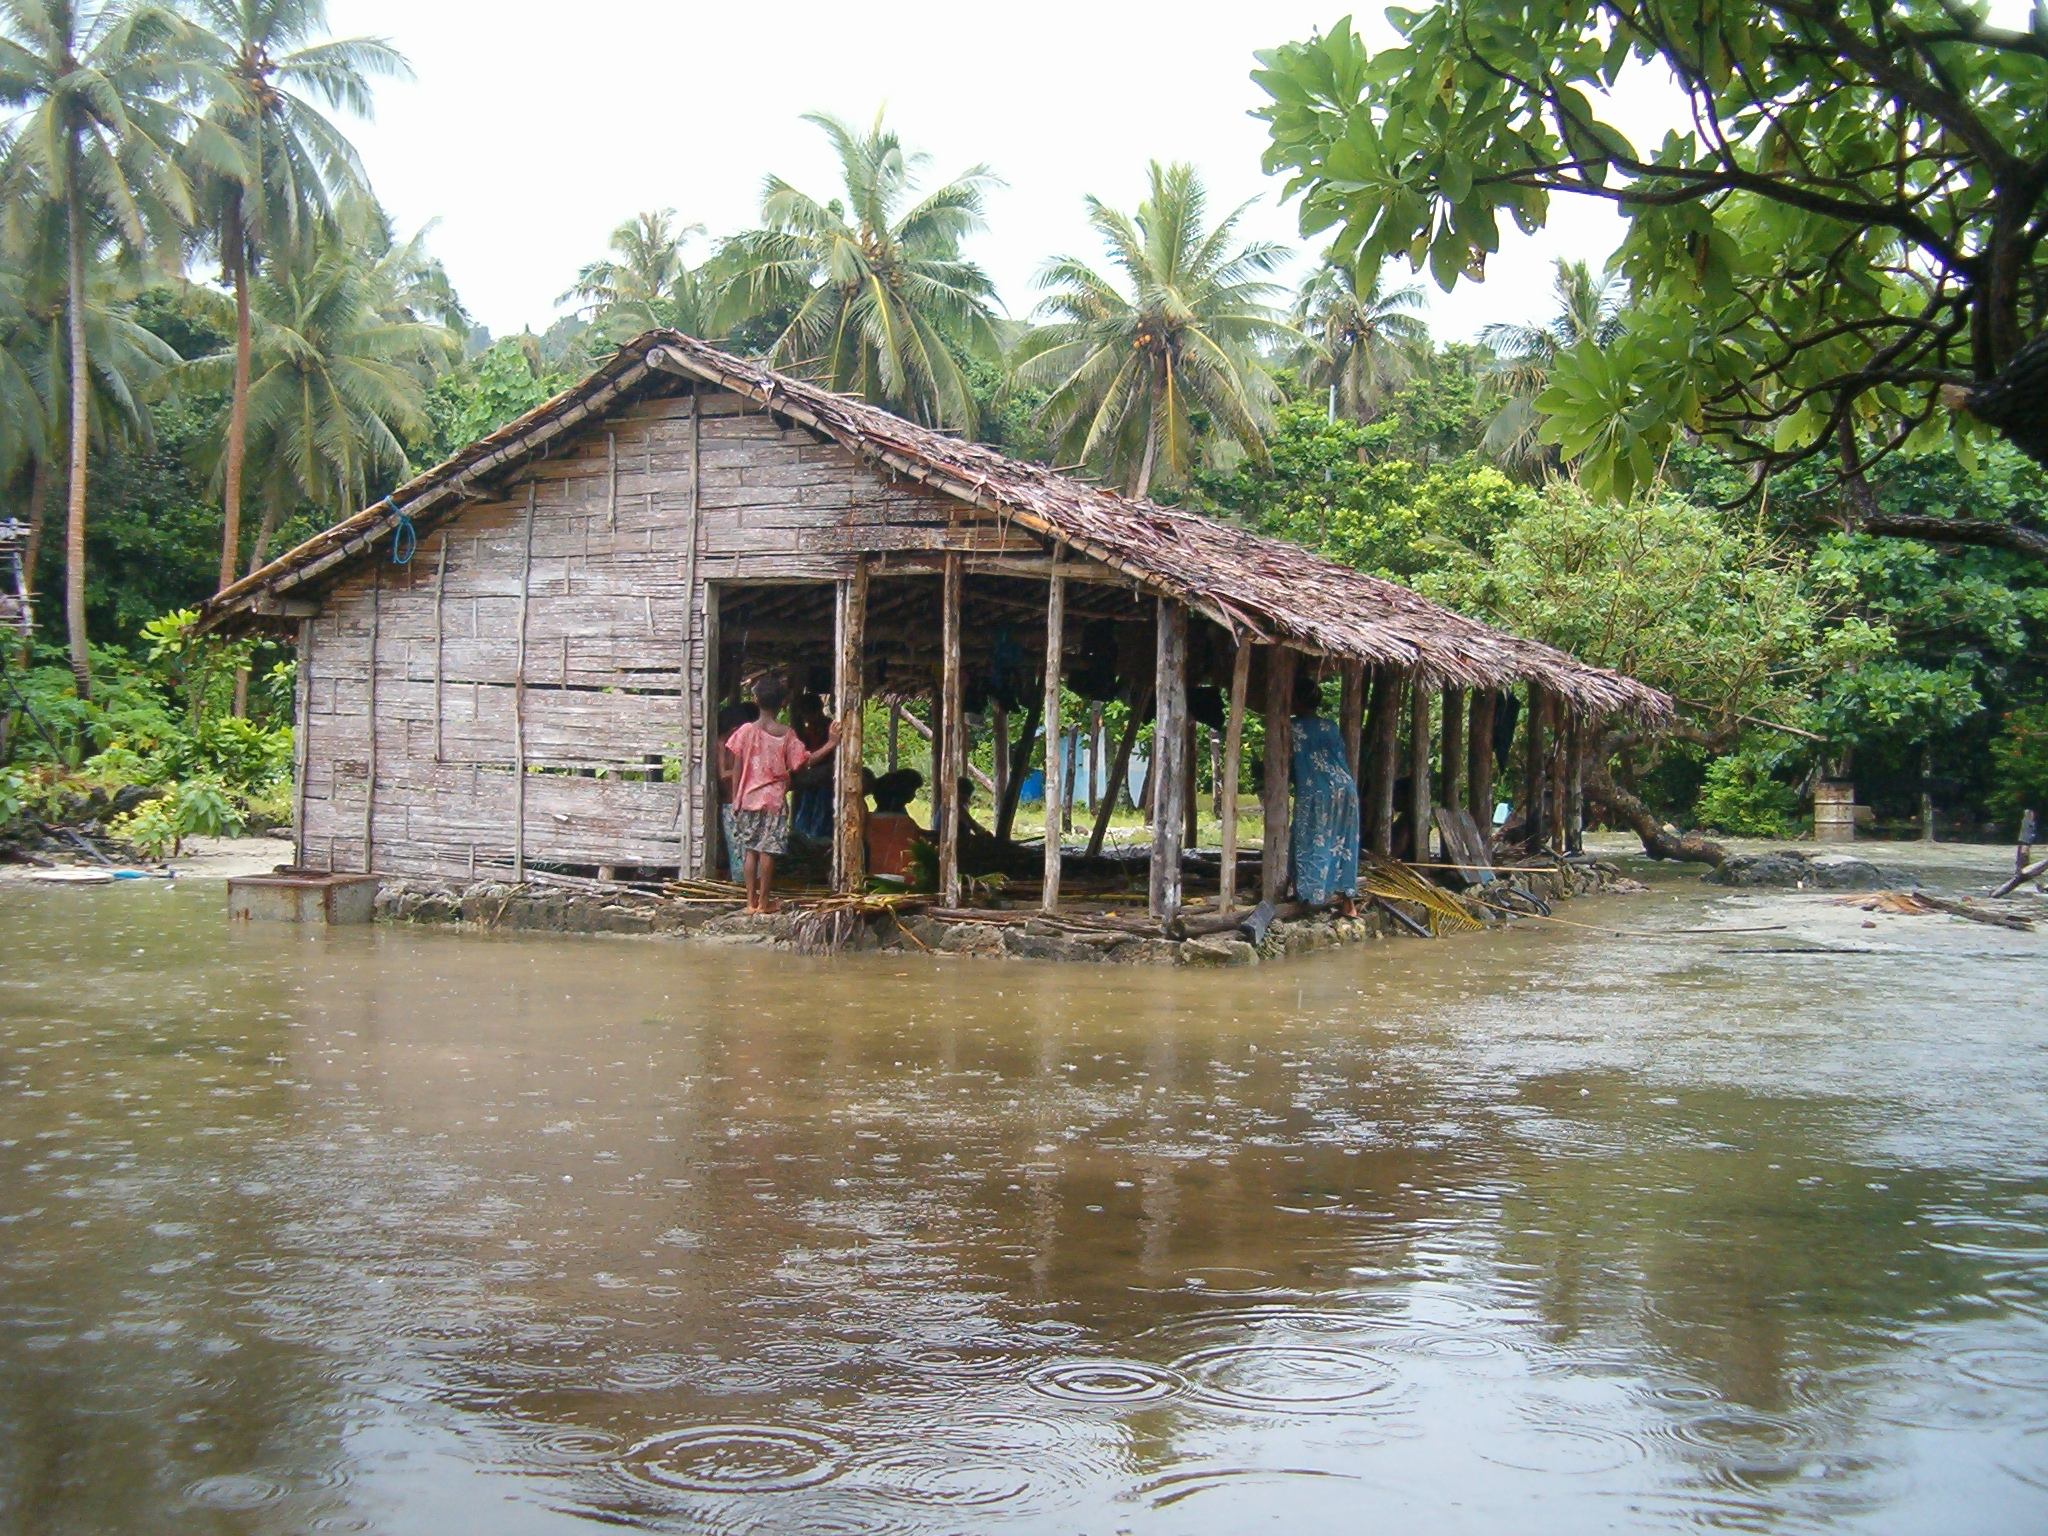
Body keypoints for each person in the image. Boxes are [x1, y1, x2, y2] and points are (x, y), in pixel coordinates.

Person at [722, 675, 840, 913]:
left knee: (750, 852)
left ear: (755, 700)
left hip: (747, 799)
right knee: (768, 852)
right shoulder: (786, 734)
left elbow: (737, 765)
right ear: (783, 703)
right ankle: (764, 904)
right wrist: (831, 743)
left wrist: (736, 797)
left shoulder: (744, 732)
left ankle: (750, 903)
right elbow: (804, 762)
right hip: (774, 801)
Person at [1288, 672, 1360, 914]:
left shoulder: (1292, 727)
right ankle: (1348, 903)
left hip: (1316, 790)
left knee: (1312, 841)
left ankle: (1311, 898)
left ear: (1296, 701)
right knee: (1342, 844)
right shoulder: (1330, 726)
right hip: (1345, 789)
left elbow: (1285, 762)